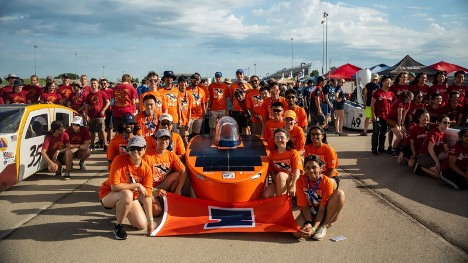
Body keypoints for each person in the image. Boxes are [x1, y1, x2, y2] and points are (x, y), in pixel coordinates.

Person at [99, 135, 154, 240]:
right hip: (108, 194)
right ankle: (118, 226)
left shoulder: (146, 168)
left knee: (141, 225)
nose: (135, 151)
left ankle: (123, 209)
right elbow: (114, 187)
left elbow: (147, 195)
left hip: (129, 197)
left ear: (145, 149)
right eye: (132, 148)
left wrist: (150, 221)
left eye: (139, 148)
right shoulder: (119, 160)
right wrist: (137, 185)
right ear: (128, 150)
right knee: (127, 194)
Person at [293, 155, 345, 240]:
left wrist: (313, 229)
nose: (311, 170)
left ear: (321, 168)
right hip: (311, 211)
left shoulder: (326, 181)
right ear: (304, 169)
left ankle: (324, 225)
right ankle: (314, 223)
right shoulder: (300, 181)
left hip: (325, 211)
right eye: (307, 168)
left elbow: (322, 209)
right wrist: (308, 223)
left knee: (340, 193)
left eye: (314, 167)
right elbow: (305, 207)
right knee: (296, 233)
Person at [142, 129, 187, 217]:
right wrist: (153, 191)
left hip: (163, 184)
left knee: (178, 174)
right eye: (161, 138)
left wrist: (179, 190)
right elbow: (140, 179)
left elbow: (184, 171)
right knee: (156, 212)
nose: (164, 141)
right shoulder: (147, 157)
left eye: (166, 139)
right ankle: (142, 205)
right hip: (150, 187)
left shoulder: (171, 155)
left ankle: (169, 198)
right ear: (156, 140)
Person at [262, 128, 303, 198]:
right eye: (277, 137)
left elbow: (297, 171)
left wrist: (293, 185)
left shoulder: (293, 153)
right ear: (274, 140)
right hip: (280, 180)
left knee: (281, 175)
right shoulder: (272, 154)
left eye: (282, 137)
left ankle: (282, 204)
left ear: (287, 139)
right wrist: (279, 183)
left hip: (292, 180)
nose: (279, 140)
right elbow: (272, 173)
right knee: (266, 194)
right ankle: (283, 197)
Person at [414, 114, 450, 178]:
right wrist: (437, 162)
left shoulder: (443, 134)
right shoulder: (434, 133)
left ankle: (433, 166)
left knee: (446, 154)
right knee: (438, 175)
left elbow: (445, 146)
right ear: (438, 123)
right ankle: (420, 168)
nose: (447, 124)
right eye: (445, 122)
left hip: (433, 155)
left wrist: (448, 151)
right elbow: (430, 149)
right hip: (424, 156)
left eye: (448, 123)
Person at [371, 75, 395, 155]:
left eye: (390, 82)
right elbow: (372, 104)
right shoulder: (377, 92)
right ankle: (374, 149)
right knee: (376, 133)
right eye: (387, 81)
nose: (389, 83)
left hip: (387, 117)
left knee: (383, 133)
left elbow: (394, 104)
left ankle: (381, 148)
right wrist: (373, 115)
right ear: (383, 82)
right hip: (378, 116)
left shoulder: (391, 94)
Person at [85, 78, 110, 150]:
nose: (93, 85)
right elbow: (86, 105)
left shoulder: (102, 93)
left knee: (102, 130)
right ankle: (92, 145)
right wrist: (86, 114)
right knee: (92, 131)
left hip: (100, 115)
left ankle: (105, 145)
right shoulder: (89, 95)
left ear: (98, 84)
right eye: (92, 83)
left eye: (95, 83)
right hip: (91, 115)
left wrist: (103, 110)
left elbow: (108, 102)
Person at [386, 90, 414, 156]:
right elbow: (400, 114)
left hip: (398, 120)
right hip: (391, 119)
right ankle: (393, 149)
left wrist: (402, 123)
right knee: (400, 136)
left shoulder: (408, 103)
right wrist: (400, 125)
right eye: (411, 98)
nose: (412, 100)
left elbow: (404, 114)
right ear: (407, 98)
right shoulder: (400, 102)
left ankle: (399, 147)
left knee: (405, 136)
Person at [208, 72, 229, 136]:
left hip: (222, 109)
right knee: (212, 127)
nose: (218, 78)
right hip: (213, 109)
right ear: (215, 78)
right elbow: (210, 98)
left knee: (222, 126)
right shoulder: (211, 86)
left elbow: (226, 99)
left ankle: (221, 138)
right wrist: (209, 108)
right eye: (217, 77)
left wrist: (227, 110)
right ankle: (211, 140)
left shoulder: (225, 86)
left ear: (222, 77)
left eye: (219, 77)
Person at [188, 73, 207, 139]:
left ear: (199, 80)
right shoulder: (187, 90)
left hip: (199, 116)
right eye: (194, 79)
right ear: (191, 80)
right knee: (189, 134)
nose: (196, 81)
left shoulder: (202, 91)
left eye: (197, 79)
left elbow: (203, 103)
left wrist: (204, 112)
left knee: (196, 134)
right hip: (190, 116)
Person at [177, 76, 192, 146]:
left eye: (184, 82)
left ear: (187, 84)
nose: (183, 84)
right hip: (177, 121)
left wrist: (188, 121)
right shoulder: (176, 94)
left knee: (185, 140)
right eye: (181, 82)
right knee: (176, 140)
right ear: (179, 84)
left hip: (185, 121)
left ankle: (186, 155)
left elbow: (189, 109)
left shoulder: (189, 95)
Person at [100, 78, 114, 145]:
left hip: (109, 110)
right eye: (102, 83)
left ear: (107, 84)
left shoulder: (111, 91)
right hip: (101, 111)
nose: (103, 85)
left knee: (110, 126)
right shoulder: (99, 91)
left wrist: (111, 106)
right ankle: (103, 141)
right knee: (103, 127)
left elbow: (113, 100)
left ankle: (110, 139)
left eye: (105, 83)